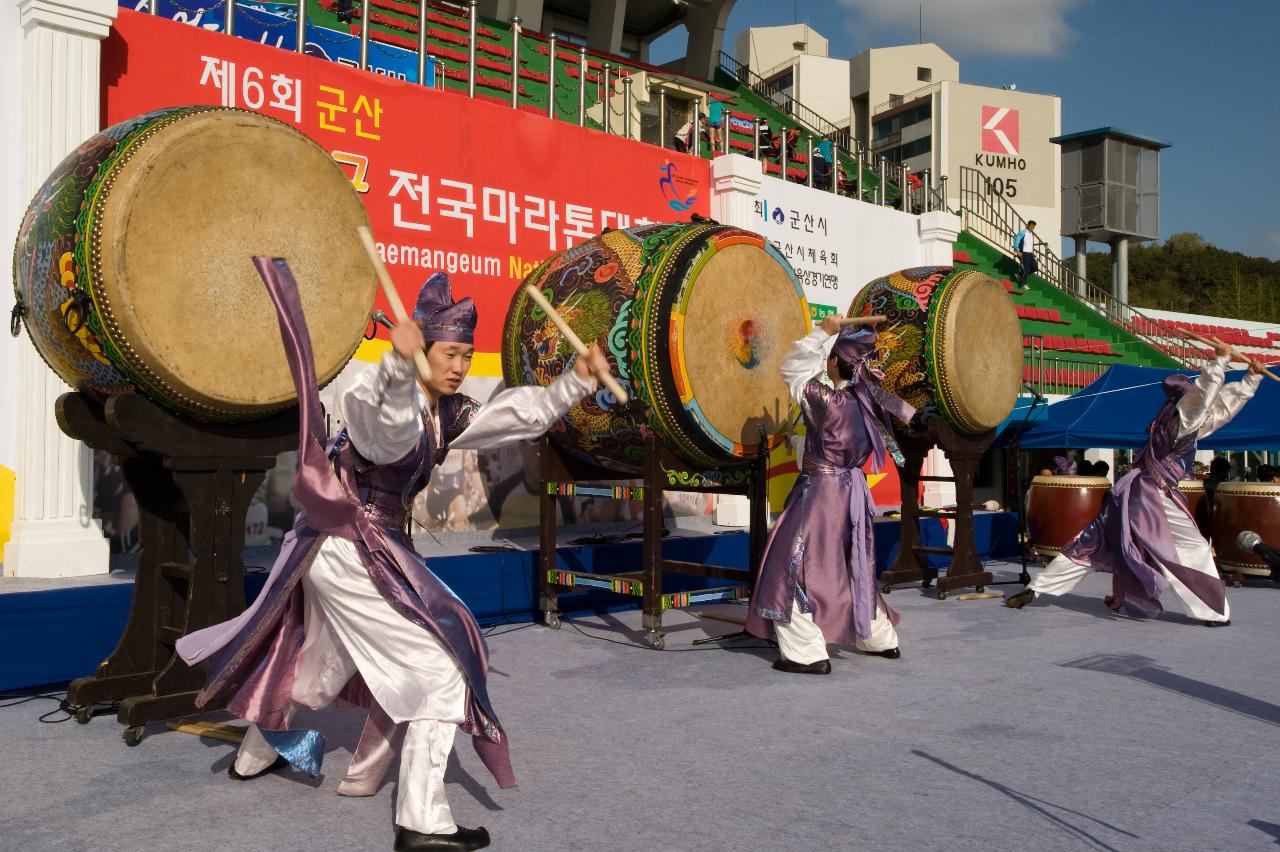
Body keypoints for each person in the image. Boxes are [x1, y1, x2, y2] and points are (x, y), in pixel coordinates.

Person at [177, 268, 608, 852]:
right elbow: (385, 435)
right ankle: (422, 821)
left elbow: (513, 417)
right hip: (348, 548)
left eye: (466, 355)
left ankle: (254, 755)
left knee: (320, 668)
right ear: (421, 351)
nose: (459, 366)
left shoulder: (446, 411)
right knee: (440, 671)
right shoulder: (378, 397)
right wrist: (396, 368)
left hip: (361, 550)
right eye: (449, 354)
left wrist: (575, 382)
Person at [1006, 342, 1263, 625]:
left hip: (1132, 490)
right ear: (1183, 403)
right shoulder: (1177, 425)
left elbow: (1219, 410)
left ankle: (1036, 590)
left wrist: (1251, 379)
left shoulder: (1178, 424)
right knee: (1193, 548)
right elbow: (1203, 400)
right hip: (1153, 495)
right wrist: (1219, 362)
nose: (1204, 409)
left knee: (1091, 541)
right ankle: (1212, 611)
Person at [746, 314, 917, 674]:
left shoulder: (826, 400)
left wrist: (822, 331)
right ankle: (879, 637)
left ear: (836, 361)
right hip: (851, 495)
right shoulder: (864, 402)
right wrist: (798, 442)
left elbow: (792, 370)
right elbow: (830, 443)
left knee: (787, 567)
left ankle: (807, 653)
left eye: (829, 357)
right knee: (855, 562)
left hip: (821, 496)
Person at [1013, 220, 1038, 286]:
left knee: (1035, 267)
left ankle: (1020, 275)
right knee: (1026, 269)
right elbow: (1016, 241)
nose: (1032, 228)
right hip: (1024, 253)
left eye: (1033, 227)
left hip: (1030, 254)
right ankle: (1022, 284)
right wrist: (1017, 251)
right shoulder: (1022, 233)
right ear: (1027, 225)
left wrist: (1032, 253)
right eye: (1031, 226)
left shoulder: (1031, 234)